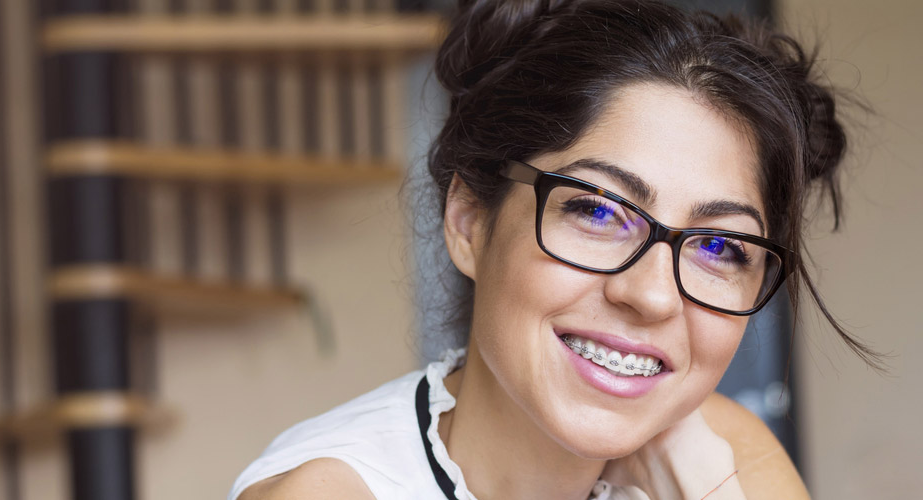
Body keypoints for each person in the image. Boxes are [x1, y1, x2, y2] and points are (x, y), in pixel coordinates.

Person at [228, 1, 881, 498]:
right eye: (597, 210)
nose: (651, 294)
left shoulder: (724, 452)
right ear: (469, 221)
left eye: (720, 246)